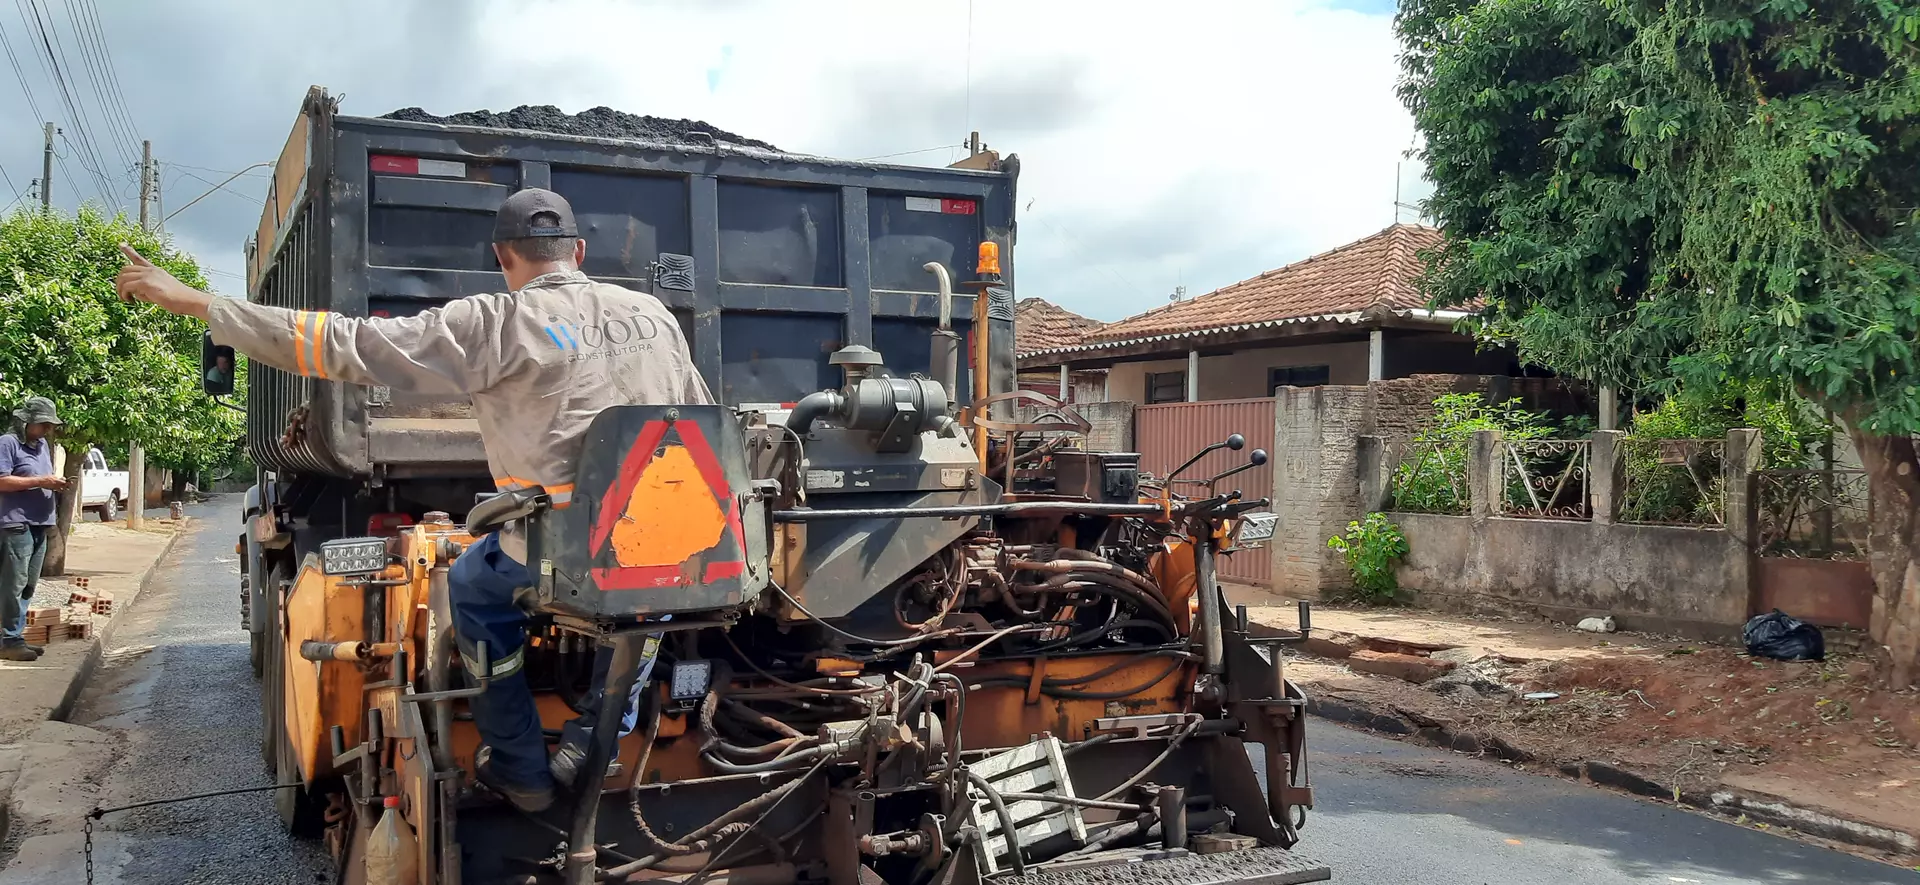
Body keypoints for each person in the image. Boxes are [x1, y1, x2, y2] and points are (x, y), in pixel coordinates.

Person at [115, 188, 712, 812]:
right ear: (580, 251)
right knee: (652, 603)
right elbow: (697, 417)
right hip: (661, 539)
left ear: (504, 258)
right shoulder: (654, 316)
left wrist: (202, 303)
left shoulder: (494, 322)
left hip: (561, 549)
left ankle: (521, 768)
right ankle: (597, 737)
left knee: (476, 587)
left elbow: (346, 344)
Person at [0, 397, 70, 662]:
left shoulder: (41, 445)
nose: (47, 430)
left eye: (49, 425)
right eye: (42, 424)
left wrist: (55, 484)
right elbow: (2, 481)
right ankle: (10, 640)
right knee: (13, 584)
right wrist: (42, 480)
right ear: (26, 421)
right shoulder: (8, 443)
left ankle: (13, 637)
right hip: (17, 523)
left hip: (41, 522)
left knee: (29, 584)